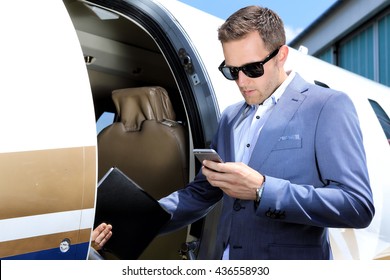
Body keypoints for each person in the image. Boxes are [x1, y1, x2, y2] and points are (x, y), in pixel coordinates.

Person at [158, 5, 375, 260]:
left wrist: (262, 190)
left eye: (252, 69)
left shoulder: (327, 106)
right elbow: (203, 192)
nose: (241, 82)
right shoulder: (230, 118)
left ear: (281, 55)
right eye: (231, 71)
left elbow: (356, 205)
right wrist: (134, 221)